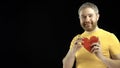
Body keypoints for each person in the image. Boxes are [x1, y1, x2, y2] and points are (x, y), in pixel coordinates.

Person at [62, 2, 120, 68]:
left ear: (97, 17)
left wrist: (101, 57)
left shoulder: (110, 37)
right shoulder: (76, 39)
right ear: (79, 19)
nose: (87, 20)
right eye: (83, 17)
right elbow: (66, 66)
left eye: (90, 16)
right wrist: (72, 51)